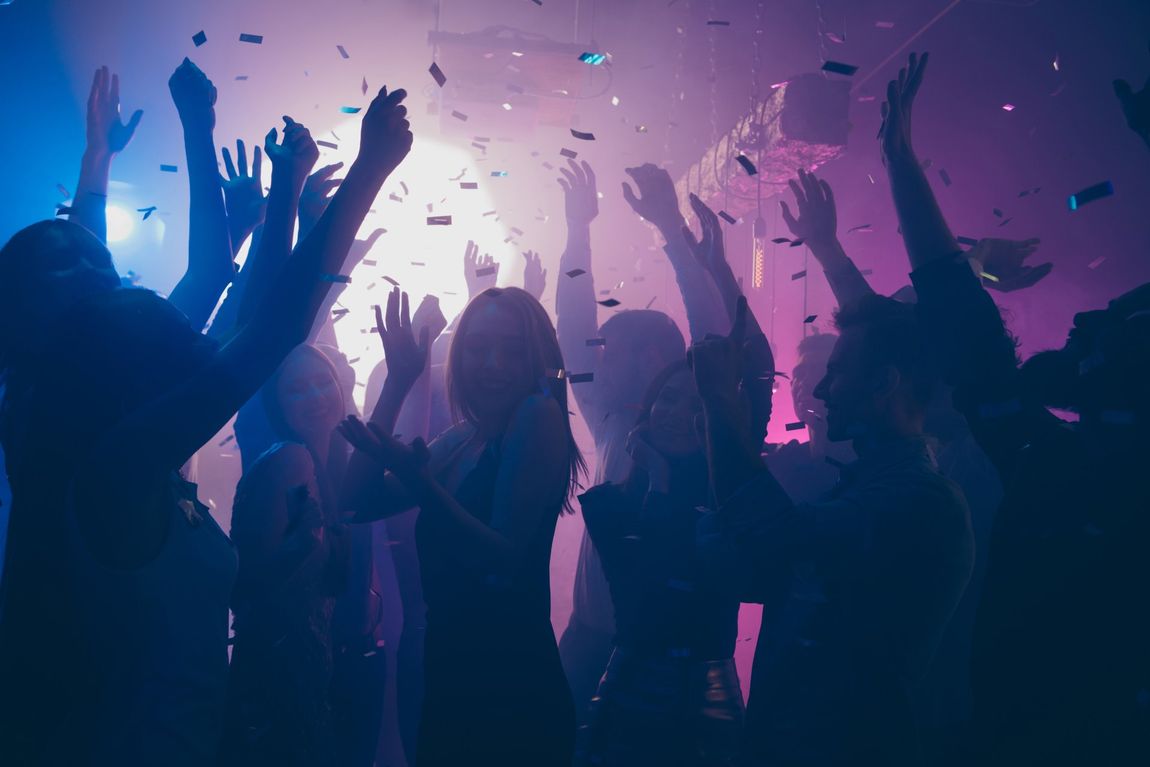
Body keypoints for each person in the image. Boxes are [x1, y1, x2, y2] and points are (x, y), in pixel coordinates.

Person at [0, 82, 413, 766]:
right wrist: (366, 168)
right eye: (72, 266)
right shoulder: (118, 460)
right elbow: (267, 325)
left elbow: (208, 275)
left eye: (95, 260)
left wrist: (129, 147)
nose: (98, 270)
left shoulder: (70, 413)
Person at [882, 52, 1150, 765]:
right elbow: (965, 331)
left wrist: (904, 167)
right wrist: (902, 168)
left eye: (1107, 338)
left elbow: (967, 340)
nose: (1080, 339)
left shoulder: (1063, 473)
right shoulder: (1053, 465)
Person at [693, 296, 974, 766]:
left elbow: (772, 536)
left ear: (884, 382)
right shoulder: (865, 486)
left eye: (837, 372)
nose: (822, 389)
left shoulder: (920, 501)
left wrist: (719, 401)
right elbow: (767, 571)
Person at [340, 286, 584, 766]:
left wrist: (422, 485)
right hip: (456, 671)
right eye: (477, 347)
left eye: (512, 350)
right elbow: (356, 502)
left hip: (509, 683)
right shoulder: (464, 436)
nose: (492, 363)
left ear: (537, 358)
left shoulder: (539, 414)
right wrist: (397, 383)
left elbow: (504, 560)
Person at [555, 160, 729, 725]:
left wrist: (671, 232)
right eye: (603, 350)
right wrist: (578, 230)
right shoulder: (609, 420)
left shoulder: (705, 426)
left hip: (672, 656)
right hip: (589, 635)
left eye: (620, 349)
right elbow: (571, 324)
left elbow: (712, 332)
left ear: (664, 356)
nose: (603, 360)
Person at [578, 359, 744, 767]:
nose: (678, 415)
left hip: (714, 699)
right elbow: (650, 602)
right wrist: (660, 480)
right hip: (631, 697)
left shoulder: (731, 507)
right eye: (668, 399)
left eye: (697, 406)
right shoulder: (606, 504)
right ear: (649, 407)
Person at [220, 344, 352, 766]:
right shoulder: (288, 462)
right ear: (276, 405)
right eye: (297, 390)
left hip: (308, 681)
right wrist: (297, 552)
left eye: (322, 382)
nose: (315, 396)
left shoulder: (324, 463)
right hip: (274, 688)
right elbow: (242, 592)